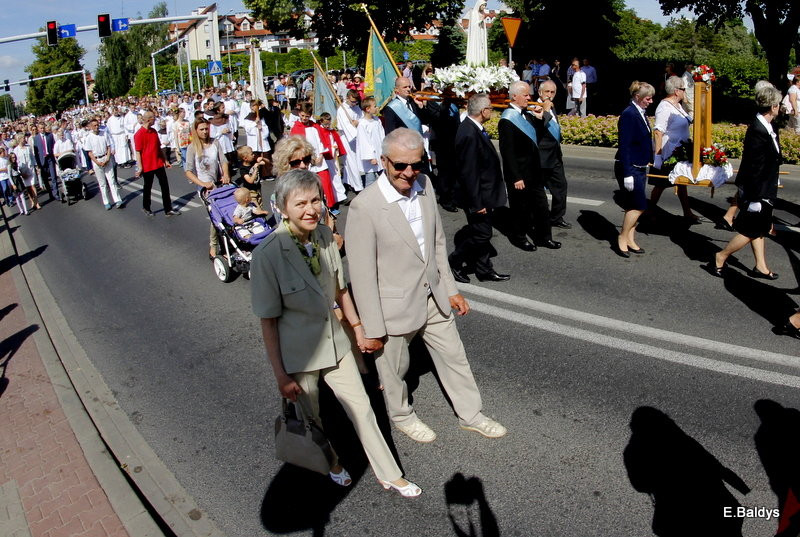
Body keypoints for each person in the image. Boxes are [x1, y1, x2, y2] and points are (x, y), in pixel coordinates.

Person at [251, 169, 421, 498]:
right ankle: (331, 462)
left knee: (364, 410)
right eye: (300, 203)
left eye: (315, 200)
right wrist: (280, 375)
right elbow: (268, 322)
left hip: (337, 344)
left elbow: (341, 292)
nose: (311, 209)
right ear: (283, 208)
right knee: (312, 418)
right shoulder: (267, 256)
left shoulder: (325, 237)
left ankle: (391, 474)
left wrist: (357, 329)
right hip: (299, 356)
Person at [346, 127, 507, 443]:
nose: (409, 173)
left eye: (416, 164)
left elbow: (436, 243)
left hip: (433, 296)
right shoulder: (365, 206)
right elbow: (362, 274)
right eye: (400, 165)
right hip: (391, 306)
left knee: (454, 357)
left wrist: (450, 289)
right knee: (395, 371)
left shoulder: (425, 185)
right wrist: (372, 328)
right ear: (383, 161)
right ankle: (402, 415)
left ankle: (471, 415)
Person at [708, 84, 783, 280]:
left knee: (760, 227)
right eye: (779, 104)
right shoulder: (758, 130)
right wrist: (756, 198)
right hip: (756, 189)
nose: (780, 108)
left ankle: (760, 266)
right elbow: (754, 166)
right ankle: (720, 256)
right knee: (751, 230)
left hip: (765, 185)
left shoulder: (769, 126)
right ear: (773, 106)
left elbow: (770, 159)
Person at [450, 94, 511, 281]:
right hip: (476, 197)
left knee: (481, 233)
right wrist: (477, 203)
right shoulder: (468, 132)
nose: (492, 111)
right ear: (483, 111)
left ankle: (484, 270)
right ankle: (454, 261)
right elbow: (469, 173)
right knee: (483, 234)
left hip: (484, 194)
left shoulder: (474, 128)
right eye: (491, 108)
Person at [499, 81, 558, 252]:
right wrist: (516, 176)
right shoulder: (507, 119)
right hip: (520, 174)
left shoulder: (527, 114)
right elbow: (507, 152)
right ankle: (519, 237)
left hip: (534, 171)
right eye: (525, 95)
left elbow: (537, 134)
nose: (528, 97)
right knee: (520, 209)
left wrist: (540, 116)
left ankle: (545, 237)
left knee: (541, 206)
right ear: (515, 96)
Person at [615, 81, 655, 258]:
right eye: (648, 98)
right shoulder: (629, 114)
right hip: (630, 167)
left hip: (639, 165)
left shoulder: (640, 112)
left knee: (632, 205)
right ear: (637, 97)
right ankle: (622, 237)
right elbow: (624, 145)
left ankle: (630, 238)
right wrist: (627, 173)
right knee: (639, 206)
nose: (651, 101)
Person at [650, 75, 698, 222]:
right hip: (669, 153)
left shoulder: (677, 106)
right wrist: (658, 156)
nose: (685, 91)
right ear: (677, 91)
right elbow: (658, 131)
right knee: (661, 184)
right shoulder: (664, 107)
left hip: (680, 150)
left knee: (681, 181)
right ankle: (649, 211)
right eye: (683, 89)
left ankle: (687, 212)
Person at [185, 117, 230, 259]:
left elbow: (223, 161)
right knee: (216, 218)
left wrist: (226, 174)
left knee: (226, 213)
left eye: (206, 128)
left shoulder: (215, 142)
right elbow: (188, 171)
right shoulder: (192, 148)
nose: (205, 132)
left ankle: (227, 244)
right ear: (196, 131)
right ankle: (215, 245)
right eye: (201, 129)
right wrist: (202, 184)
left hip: (218, 183)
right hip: (205, 188)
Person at [534, 80, 571, 229]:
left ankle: (556, 217)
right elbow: (539, 127)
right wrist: (546, 110)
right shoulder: (534, 107)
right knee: (538, 193)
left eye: (552, 92)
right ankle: (537, 219)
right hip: (541, 157)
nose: (549, 95)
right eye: (546, 92)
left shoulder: (550, 106)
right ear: (540, 92)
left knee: (561, 186)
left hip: (555, 155)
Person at [134, 110, 180, 217]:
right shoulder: (139, 134)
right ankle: (146, 207)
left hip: (158, 163)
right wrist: (140, 167)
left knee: (165, 186)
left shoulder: (154, 131)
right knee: (147, 187)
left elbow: (159, 148)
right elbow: (138, 152)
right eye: (154, 118)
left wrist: (165, 160)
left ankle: (168, 209)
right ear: (149, 120)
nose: (155, 120)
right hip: (147, 165)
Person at [85, 118, 124, 210]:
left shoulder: (104, 133)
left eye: (97, 124)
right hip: (97, 160)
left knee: (112, 180)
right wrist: (97, 162)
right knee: (102, 183)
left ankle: (118, 200)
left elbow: (109, 147)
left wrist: (107, 158)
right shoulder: (89, 137)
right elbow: (90, 153)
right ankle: (106, 202)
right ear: (90, 127)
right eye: (94, 125)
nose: (96, 127)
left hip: (106, 158)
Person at [337, 90, 364, 192]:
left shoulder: (357, 107)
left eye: (356, 102)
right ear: (347, 98)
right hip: (348, 138)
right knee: (351, 162)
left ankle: (347, 181)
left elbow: (362, 119)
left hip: (357, 137)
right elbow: (346, 126)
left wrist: (357, 122)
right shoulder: (342, 110)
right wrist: (354, 127)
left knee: (355, 162)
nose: (354, 104)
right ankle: (358, 187)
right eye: (352, 101)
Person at [355, 96, 385, 188]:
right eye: (374, 106)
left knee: (383, 177)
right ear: (368, 109)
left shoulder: (377, 120)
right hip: (371, 158)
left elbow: (382, 135)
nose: (377, 108)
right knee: (371, 180)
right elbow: (364, 142)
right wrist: (371, 157)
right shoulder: (363, 124)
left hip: (380, 153)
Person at [33, 125, 60, 202]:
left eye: (43, 128)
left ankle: (56, 194)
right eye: (41, 128)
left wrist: (55, 157)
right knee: (45, 179)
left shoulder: (50, 135)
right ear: (38, 129)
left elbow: (54, 147)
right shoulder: (36, 138)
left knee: (53, 176)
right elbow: (36, 152)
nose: (42, 129)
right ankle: (50, 193)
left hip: (50, 158)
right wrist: (38, 164)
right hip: (42, 160)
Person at [12, 134, 39, 211]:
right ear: (20, 139)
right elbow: (16, 162)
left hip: (30, 168)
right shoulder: (16, 150)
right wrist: (20, 172)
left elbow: (32, 157)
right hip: (23, 170)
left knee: (33, 185)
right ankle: (32, 201)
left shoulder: (28, 147)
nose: (24, 139)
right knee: (28, 187)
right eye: (23, 138)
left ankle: (36, 202)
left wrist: (36, 166)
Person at [466, 0, 488, 66]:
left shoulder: (482, 13)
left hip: (481, 34)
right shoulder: (474, 13)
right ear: (479, 5)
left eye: (485, 5)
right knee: (476, 48)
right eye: (483, 5)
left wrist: (482, 21)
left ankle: (482, 63)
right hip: (475, 35)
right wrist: (481, 20)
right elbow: (473, 25)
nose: (484, 7)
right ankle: (474, 63)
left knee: (481, 48)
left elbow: (483, 25)